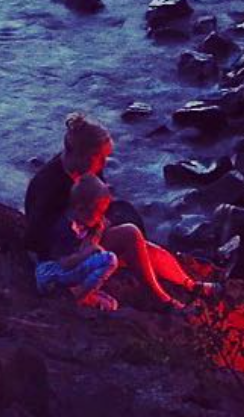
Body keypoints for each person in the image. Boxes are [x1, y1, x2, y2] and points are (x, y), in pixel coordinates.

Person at [24, 111, 220, 310]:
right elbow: (35, 238)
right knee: (130, 234)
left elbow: (99, 203)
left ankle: (191, 285)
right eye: (100, 158)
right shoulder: (49, 185)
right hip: (61, 254)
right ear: (82, 154)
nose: (103, 164)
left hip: (84, 235)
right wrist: (84, 247)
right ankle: (164, 301)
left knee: (142, 245)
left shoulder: (87, 169)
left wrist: (99, 224)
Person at [33, 174, 121, 312]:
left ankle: (78, 292)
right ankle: (78, 296)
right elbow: (64, 263)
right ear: (80, 209)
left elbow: (98, 232)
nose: (101, 218)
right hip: (50, 273)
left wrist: (97, 230)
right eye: (98, 212)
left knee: (112, 304)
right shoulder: (65, 228)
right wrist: (87, 252)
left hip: (64, 274)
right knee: (110, 260)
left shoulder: (85, 224)